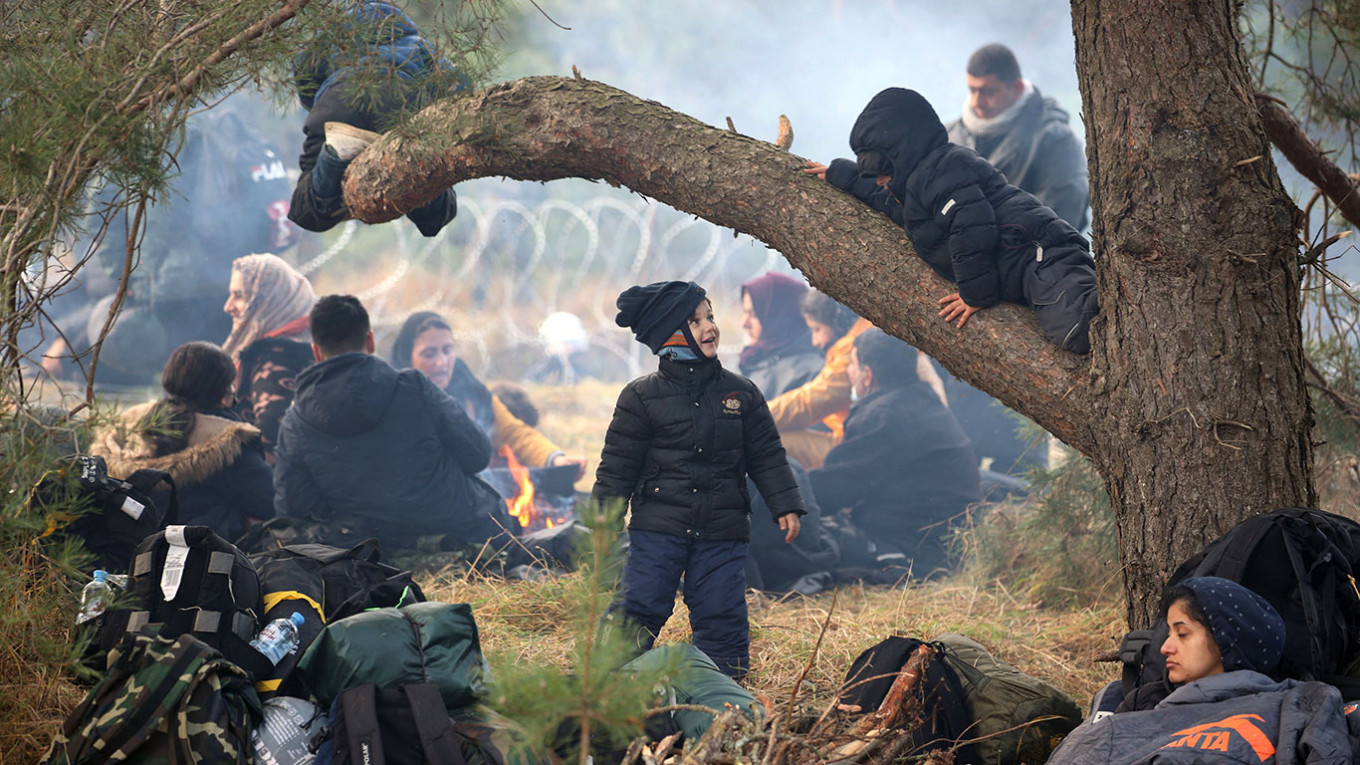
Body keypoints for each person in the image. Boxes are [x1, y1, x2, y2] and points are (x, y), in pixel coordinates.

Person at [593, 280, 806, 679]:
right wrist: (602, 519)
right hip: (659, 526)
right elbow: (617, 466)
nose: (710, 327)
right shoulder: (640, 397)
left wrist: (786, 503)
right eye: (695, 320)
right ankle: (607, 681)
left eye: (710, 316)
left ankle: (721, 687)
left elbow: (767, 455)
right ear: (669, 335)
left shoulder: (741, 394)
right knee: (640, 602)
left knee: (721, 608)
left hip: (722, 527)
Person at [806, 87, 1099, 354]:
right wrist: (838, 174)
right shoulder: (910, 189)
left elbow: (971, 226)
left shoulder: (944, 169)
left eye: (882, 169)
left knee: (1081, 330)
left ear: (902, 156)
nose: (880, 180)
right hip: (1020, 266)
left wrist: (975, 295)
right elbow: (884, 200)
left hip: (1040, 254)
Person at [273, 295, 509, 552]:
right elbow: (477, 455)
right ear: (371, 341)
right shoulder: (415, 386)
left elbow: (294, 508)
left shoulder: (295, 422)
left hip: (372, 550)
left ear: (316, 352)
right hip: (463, 534)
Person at [1049, 577, 1359, 764]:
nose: (1165, 648)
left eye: (1182, 634)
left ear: (1229, 638)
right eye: (1168, 634)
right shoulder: (1136, 710)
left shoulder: (1298, 704)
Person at [810, 330, 980, 581]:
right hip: (947, 540)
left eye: (852, 366)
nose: (849, 373)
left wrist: (782, 490)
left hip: (918, 548)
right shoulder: (920, 399)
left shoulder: (884, 415)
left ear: (867, 376)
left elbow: (836, 489)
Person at [288, 1, 458, 237]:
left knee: (305, 211)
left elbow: (303, 70)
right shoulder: (419, 43)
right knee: (436, 218)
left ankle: (336, 152)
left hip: (340, 100)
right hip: (403, 107)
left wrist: (321, 108)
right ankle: (420, 165)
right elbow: (458, 85)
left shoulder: (332, 33)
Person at [91, 342, 273, 541]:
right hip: (199, 556)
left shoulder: (130, 424)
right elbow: (270, 503)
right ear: (223, 391)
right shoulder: (227, 441)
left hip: (124, 551)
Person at [389, 311, 586, 477]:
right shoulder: (395, 402)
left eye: (447, 350)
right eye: (429, 354)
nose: (442, 362)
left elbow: (513, 431)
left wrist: (555, 459)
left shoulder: (468, 388)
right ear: (408, 359)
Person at [946, 44, 1090, 231]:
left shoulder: (1055, 140)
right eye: (972, 90)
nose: (977, 102)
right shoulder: (949, 136)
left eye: (988, 92)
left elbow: (1060, 220)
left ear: (1016, 87)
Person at [222, 253, 316, 462]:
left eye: (239, 295)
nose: (228, 306)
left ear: (268, 299)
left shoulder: (277, 356)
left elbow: (269, 439)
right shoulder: (306, 344)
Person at [765, 291, 872, 470]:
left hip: (860, 446)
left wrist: (751, 416)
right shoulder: (859, 333)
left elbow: (811, 402)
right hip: (859, 437)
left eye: (817, 329)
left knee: (771, 443)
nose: (815, 341)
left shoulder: (852, 346)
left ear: (835, 322)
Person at [737, 272, 824, 400]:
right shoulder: (756, 360)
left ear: (779, 316)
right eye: (745, 312)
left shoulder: (809, 374)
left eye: (754, 314)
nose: (744, 323)